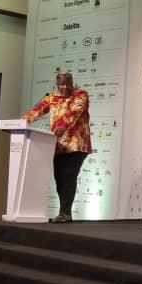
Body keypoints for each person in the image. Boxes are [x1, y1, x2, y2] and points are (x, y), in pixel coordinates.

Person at [21, 72, 91, 223]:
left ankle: (65, 213)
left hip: (76, 145)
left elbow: (73, 113)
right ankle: (64, 213)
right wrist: (22, 122)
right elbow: (38, 110)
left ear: (72, 83)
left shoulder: (80, 95)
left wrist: (62, 126)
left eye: (67, 84)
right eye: (61, 84)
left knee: (68, 176)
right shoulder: (52, 97)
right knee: (59, 179)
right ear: (57, 85)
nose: (64, 87)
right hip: (57, 146)